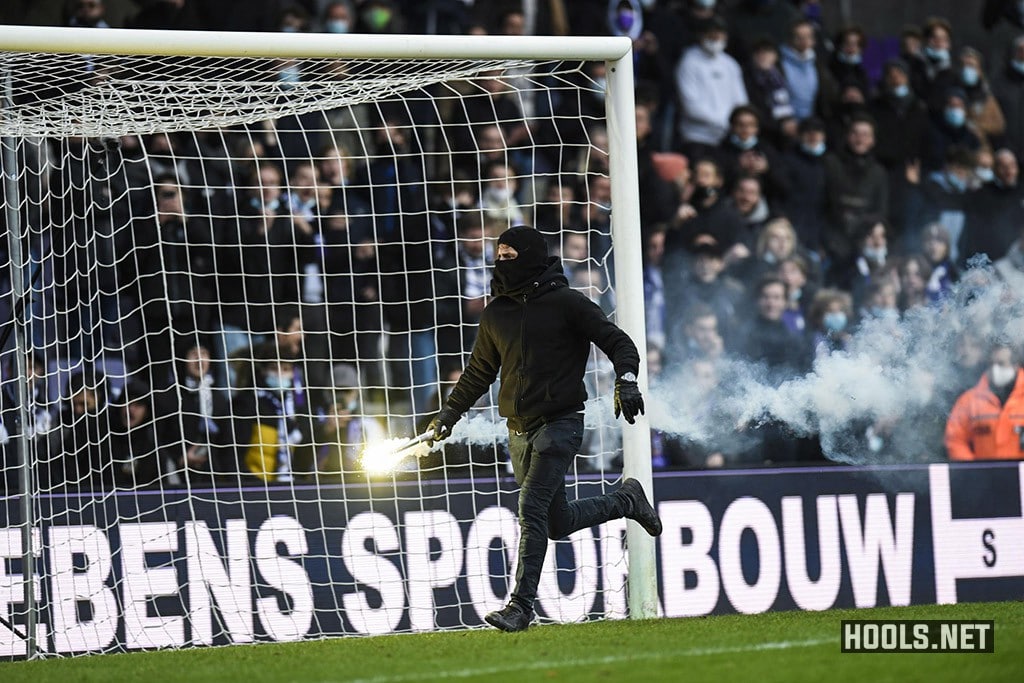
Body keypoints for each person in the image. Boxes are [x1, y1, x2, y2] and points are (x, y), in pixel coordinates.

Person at [426, 225, 661, 632]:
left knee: (530, 509)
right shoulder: (495, 312)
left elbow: (619, 342)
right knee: (555, 522)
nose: (501, 261)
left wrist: (625, 380)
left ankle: (520, 606)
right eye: (498, 254)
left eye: (510, 254)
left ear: (532, 255)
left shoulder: (568, 303)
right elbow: (478, 373)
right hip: (518, 431)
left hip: (561, 424)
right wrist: (447, 417)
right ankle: (626, 500)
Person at [945, 341, 1024, 460]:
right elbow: (955, 439)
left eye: (1001, 364)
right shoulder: (969, 400)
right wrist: (974, 469)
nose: (995, 369)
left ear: (1015, 365)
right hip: (984, 476)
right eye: (991, 364)